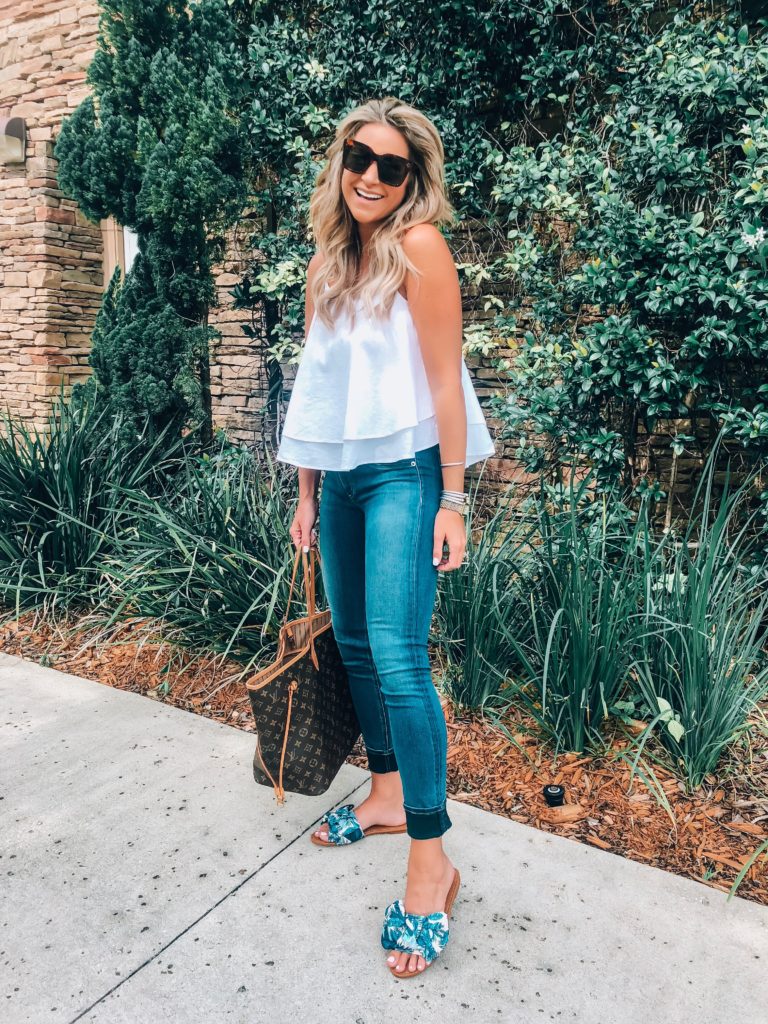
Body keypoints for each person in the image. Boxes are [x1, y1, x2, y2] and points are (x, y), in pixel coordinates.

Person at [276, 96, 495, 978]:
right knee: (359, 647)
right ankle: (388, 796)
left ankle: (431, 861)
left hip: (407, 472)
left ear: (414, 179)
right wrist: (304, 489)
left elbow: (446, 385)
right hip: (341, 479)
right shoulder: (329, 259)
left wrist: (454, 500)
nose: (369, 176)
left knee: (401, 660)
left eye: (391, 166)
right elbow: (314, 387)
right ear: (340, 163)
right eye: (358, 158)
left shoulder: (421, 250)